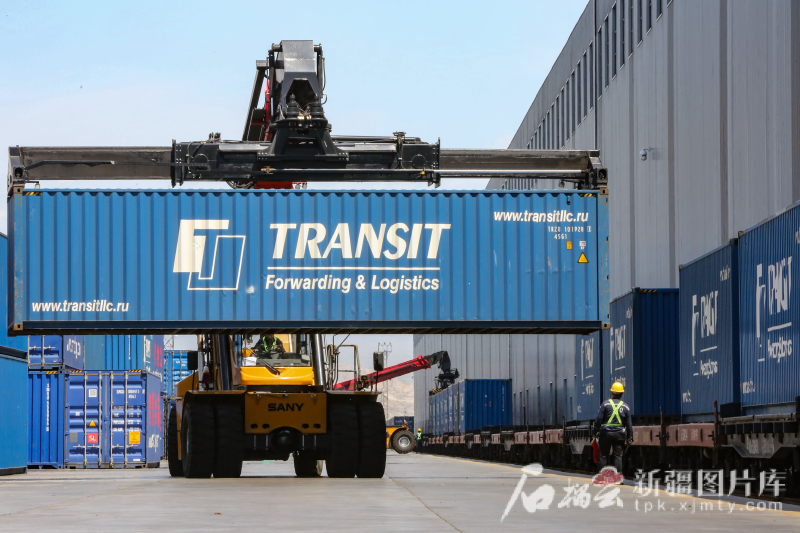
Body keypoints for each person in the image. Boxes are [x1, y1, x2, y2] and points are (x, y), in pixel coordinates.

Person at [594, 381, 633, 477]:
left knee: (603, 455)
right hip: (619, 434)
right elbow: (629, 425)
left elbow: (598, 419)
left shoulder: (605, 404)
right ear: (622, 394)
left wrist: (596, 431)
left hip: (605, 433)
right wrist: (629, 438)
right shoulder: (626, 407)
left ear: (612, 393)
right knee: (618, 456)